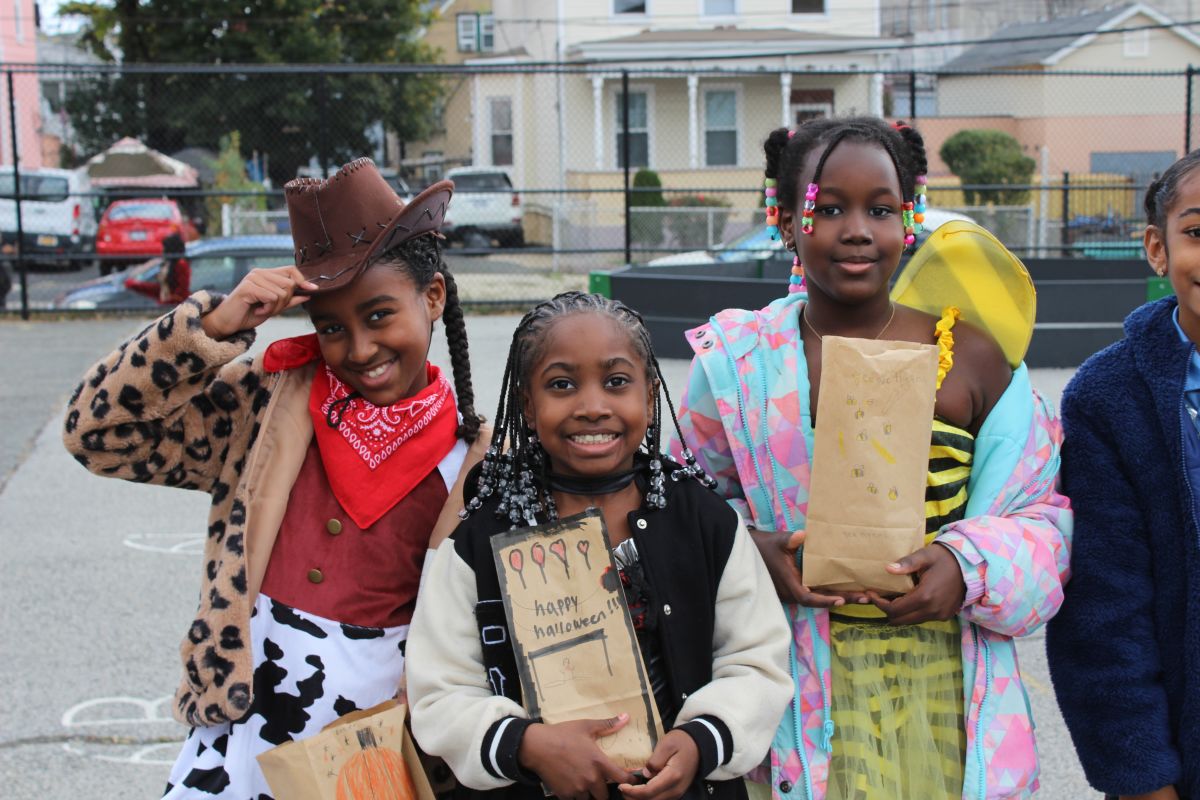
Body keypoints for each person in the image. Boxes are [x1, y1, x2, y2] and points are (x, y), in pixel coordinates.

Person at [62, 159, 487, 799]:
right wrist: (212, 328)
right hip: (244, 723)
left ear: (432, 297)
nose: (360, 348)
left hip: (378, 741)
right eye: (332, 328)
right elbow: (96, 433)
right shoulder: (261, 407)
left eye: (379, 316)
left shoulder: (472, 456)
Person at [673, 117, 1072, 799]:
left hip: (951, 689)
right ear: (786, 221)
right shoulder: (739, 366)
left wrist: (965, 566)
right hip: (804, 693)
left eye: (880, 209)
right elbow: (681, 505)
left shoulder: (971, 358)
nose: (857, 229)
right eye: (829, 209)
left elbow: (1046, 519)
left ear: (907, 220)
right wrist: (749, 550)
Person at [406, 291, 792, 800]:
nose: (592, 407)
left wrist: (702, 740)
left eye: (616, 382)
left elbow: (756, 659)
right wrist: (528, 745)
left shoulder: (703, 520)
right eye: (561, 385)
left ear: (650, 394)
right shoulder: (480, 538)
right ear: (527, 401)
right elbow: (440, 687)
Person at [1047, 151, 1200, 800]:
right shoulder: (1109, 396)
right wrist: (1141, 780)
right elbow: (1104, 615)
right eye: (1197, 232)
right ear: (1157, 250)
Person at [124, 232, 191, 306]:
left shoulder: (181, 264)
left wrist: (166, 302)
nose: (162, 251)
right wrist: (135, 285)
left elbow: (181, 292)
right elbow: (158, 289)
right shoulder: (168, 264)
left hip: (175, 307)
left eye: (165, 247)